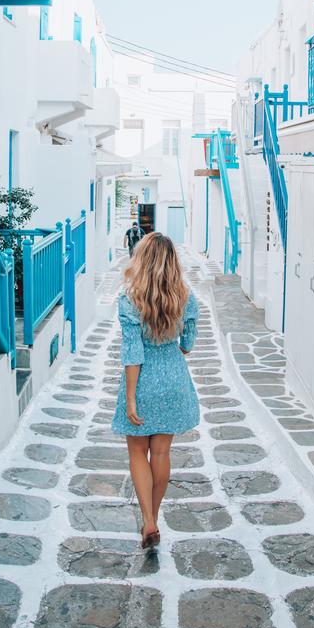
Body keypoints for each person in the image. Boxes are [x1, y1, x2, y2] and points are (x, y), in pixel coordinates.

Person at [111, 232, 199, 548]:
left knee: (137, 451)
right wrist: (174, 346)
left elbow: (132, 353)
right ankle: (155, 518)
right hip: (173, 378)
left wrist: (131, 398)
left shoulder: (129, 299)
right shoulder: (186, 297)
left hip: (144, 381)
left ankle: (147, 519)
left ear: (141, 260)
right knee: (161, 453)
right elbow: (188, 343)